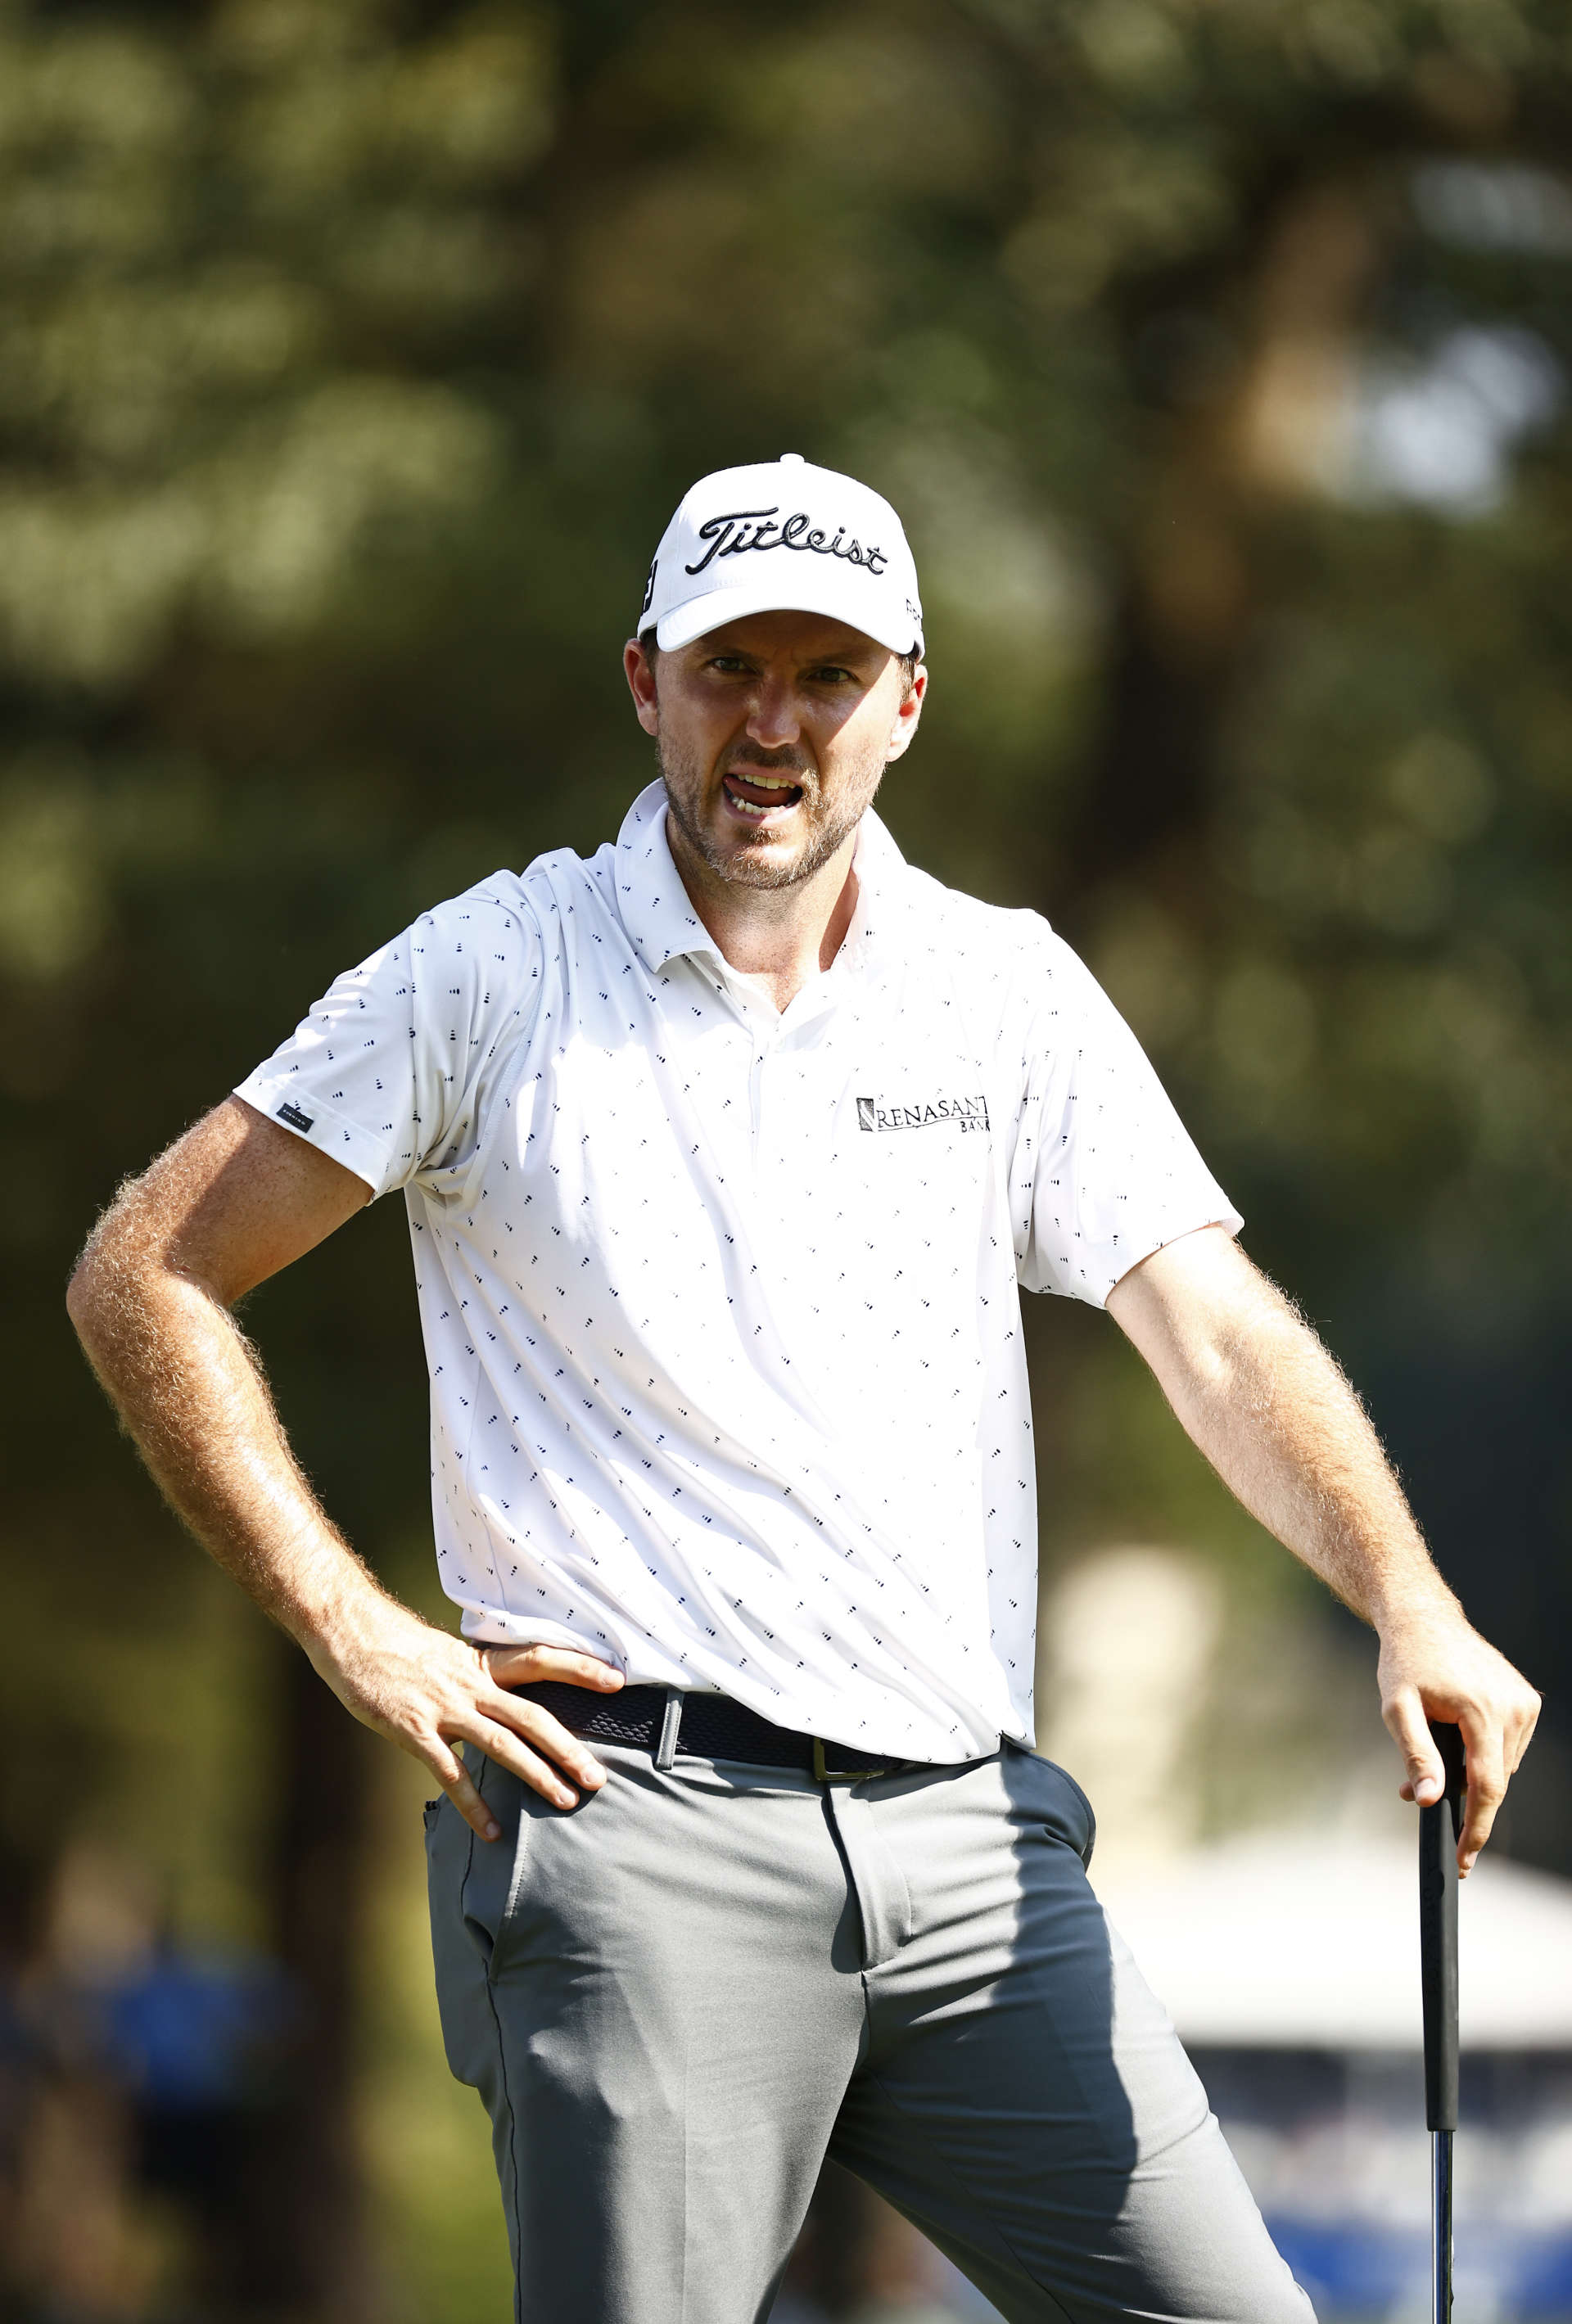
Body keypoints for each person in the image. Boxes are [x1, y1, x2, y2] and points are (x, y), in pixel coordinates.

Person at [67, 453, 1538, 2324]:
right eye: (729, 667)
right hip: (642, 1831)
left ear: (905, 702)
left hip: (980, 1852)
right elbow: (147, 1264)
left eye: (826, 676)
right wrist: (352, 1624)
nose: (774, 726)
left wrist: (1407, 1595)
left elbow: (1218, 1331)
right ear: (645, 683)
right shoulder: (495, 971)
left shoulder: (1003, 989)